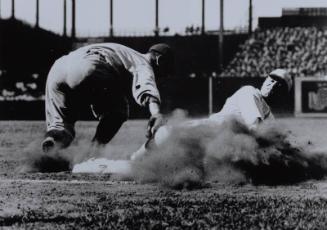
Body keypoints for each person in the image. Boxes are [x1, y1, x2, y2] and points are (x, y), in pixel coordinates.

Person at [131, 68, 293, 160]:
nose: (272, 86)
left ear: (282, 95)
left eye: (279, 86)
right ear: (265, 79)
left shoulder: (269, 115)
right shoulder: (250, 93)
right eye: (272, 80)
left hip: (218, 148)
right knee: (167, 135)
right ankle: (136, 160)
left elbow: (275, 140)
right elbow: (255, 128)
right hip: (207, 133)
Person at [42, 43, 174, 153]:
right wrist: (156, 113)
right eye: (166, 68)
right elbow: (147, 86)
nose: (163, 75)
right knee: (119, 111)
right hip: (90, 65)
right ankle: (92, 153)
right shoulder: (143, 62)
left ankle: (52, 142)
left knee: (61, 126)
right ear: (159, 59)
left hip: (58, 68)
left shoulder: (120, 49)